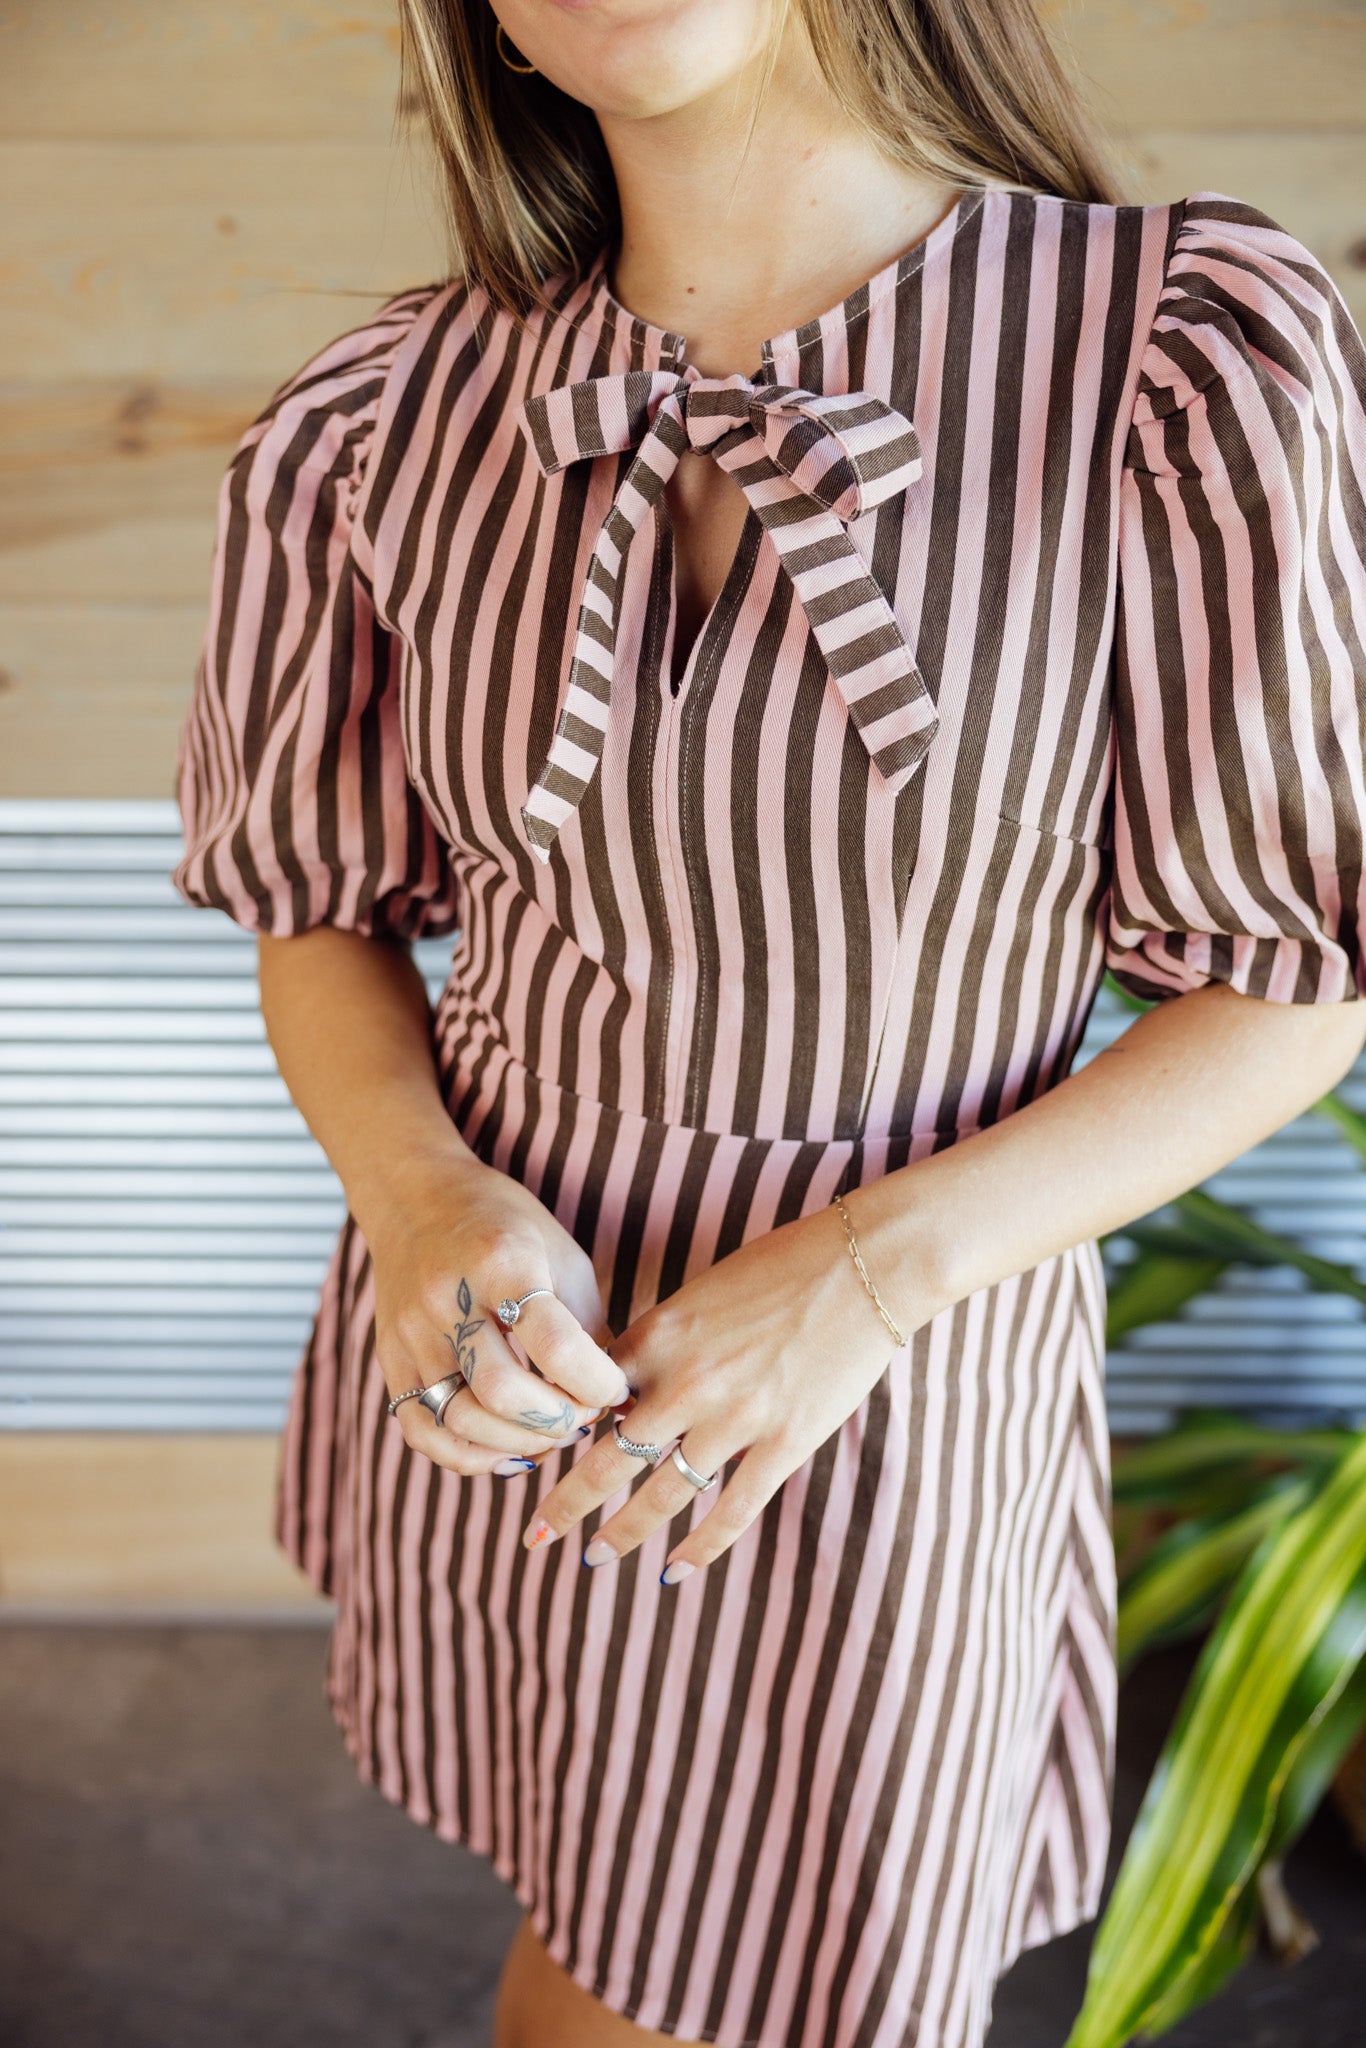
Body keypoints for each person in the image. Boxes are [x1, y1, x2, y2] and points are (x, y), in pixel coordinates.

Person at [170, 1, 1366, 2042]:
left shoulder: (1171, 349)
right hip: (507, 1335)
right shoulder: (386, 413)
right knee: (613, 1902)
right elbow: (323, 911)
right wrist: (421, 1198)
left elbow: (1286, 975)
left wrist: (855, 1279)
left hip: (891, 1388)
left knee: (806, 1974)